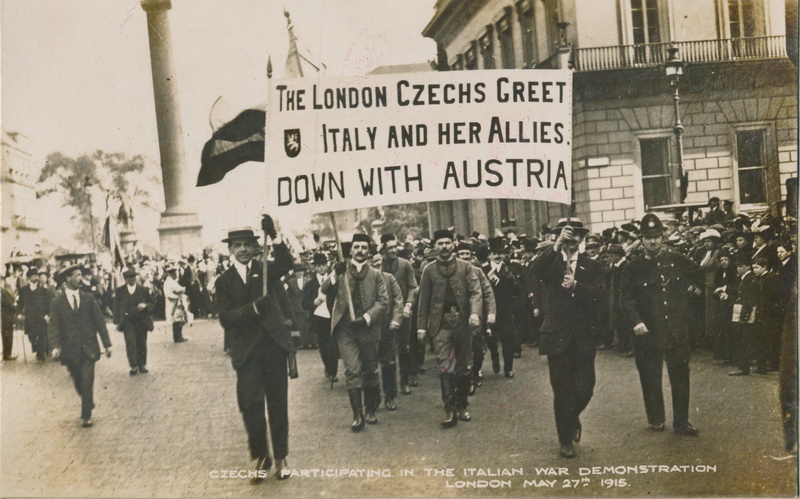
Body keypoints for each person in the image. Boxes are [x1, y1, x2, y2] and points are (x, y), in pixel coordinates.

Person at [215, 221, 295, 483]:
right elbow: (226, 318)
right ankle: (262, 456)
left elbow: (286, 263)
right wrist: (254, 309)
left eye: (248, 245)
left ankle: (281, 456)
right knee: (250, 403)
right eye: (237, 245)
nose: (243, 250)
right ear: (230, 250)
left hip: (273, 346)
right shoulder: (223, 281)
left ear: (254, 247)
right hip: (246, 352)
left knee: (277, 402)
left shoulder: (265, 269)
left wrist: (274, 235)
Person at [620, 213, 704, 436]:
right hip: (647, 331)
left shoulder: (676, 259)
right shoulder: (633, 267)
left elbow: (699, 275)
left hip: (675, 329)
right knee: (650, 376)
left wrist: (689, 296)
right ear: (641, 239)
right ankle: (656, 418)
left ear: (663, 237)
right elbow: (626, 298)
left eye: (657, 237)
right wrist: (636, 322)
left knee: (680, 375)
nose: (653, 242)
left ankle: (682, 421)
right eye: (648, 238)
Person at [530, 218, 605, 458]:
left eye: (575, 237)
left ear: (582, 239)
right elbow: (534, 269)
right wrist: (556, 245)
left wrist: (577, 287)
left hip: (583, 337)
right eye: (566, 237)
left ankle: (571, 418)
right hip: (557, 337)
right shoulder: (551, 264)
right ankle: (565, 440)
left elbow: (600, 294)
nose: (571, 242)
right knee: (562, 390)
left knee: (586, 388)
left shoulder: (591, 266)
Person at [416, 229, 482, 427]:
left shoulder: (465, 267)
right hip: (440, 325)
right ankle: (450, 409)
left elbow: (475, 292)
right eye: (439, 244)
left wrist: (474, 313)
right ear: (434, 247)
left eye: (447, 243)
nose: (444, 247)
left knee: (464, 367)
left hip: (463, 324)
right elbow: (423, 301)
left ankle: (462, 405)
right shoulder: (428, 270)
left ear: (453, 244)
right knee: (445, 366)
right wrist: (421, 327)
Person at [323, 234, 388, 431]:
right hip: (346, 328)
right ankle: (357, 416)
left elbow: (383, 302)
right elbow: (324, 288)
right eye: (356, 247)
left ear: (369, 252)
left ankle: (370, 410)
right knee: (352, 370)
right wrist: (335, 274)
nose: (360, 251)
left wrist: (367, 317)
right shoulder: (341, 271)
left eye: (364, 248)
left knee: (370, 368)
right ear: (350, 250)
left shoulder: (376, 275)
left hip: (367, 326)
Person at [48, 265, 112, 427]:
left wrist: (107, 344)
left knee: (87, 379)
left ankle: (86, 416)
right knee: (78, 381)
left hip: (89, 347)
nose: (79, 278)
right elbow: (54, 326)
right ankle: (87, 400)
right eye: (75, 276)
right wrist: (55, 346)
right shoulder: (58, 302)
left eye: (80, 275)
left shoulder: (88, 298)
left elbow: (100, 322)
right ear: (67, 279)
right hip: (70, 350)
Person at [379, 233, 419, 397]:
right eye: (390, 247)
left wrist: (408, 305)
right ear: (383, 249)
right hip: (383, 314)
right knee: (386, 352)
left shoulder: (405, 265)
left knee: (404, 347)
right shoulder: (377, 266)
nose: (394, 250)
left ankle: (405, 381)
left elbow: (413, 287)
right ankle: (389, 387)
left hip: (403, 311)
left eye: (395, 247)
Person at [482, 237, 521, 378]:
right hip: (489, 311)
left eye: (500, 253)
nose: (497, 256)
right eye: (494, 253)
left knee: (507, 341)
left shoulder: (509, 270)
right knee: (491, 341)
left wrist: (511, 279)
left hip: (505, 311)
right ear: (489, 255)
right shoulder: (483, 270)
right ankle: (494, 357)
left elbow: (518, 292)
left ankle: (508, 368)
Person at [370, 252, 403, 411]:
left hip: (387, 327)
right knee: (370, 364)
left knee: (389, 362)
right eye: (373, 262)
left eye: (379, 261)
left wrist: (396, 319)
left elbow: (398, 300)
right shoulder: (364, 280)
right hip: (369, 328)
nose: (377, 264)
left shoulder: (390, 279)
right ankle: (374, 398)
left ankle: (390, 396)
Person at [302, 252, 337, 382]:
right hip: (318, 319)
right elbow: (304, 303)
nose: (322, 268)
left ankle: (333, 371)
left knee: (333, 344)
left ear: (327, 266)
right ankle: (328, 367)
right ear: (315, 267)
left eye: (323, 265)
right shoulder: (310, 285)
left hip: (332, 317)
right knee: (323, 345)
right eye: (319, 265)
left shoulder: (333, 281)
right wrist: (313, 303)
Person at [113, 267, 154, 375]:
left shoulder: (143, 290)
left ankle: (142, 365)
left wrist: (145, 306)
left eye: (134, 277)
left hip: (141, 321)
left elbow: (153, 304)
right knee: (130, 342)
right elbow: (116, 305)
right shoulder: (120, 291)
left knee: (141, 343)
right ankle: (134, 366)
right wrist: (116, 320)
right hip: (127, 321)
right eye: (130, 278)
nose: (132, 279)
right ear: (125, 279)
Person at [17, 268, 52, 361]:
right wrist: (20, 313)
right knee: (31, 335)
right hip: (30, 316)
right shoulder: (24, 290)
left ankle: (41, 353)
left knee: (41, 334)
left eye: (37, 276)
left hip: (41, 316)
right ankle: (37, 349)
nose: (36, 278)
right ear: (29, 278)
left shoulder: (43, 290)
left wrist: (48, 314)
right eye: (34, 276)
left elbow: (47, 303)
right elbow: (20, 303)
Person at [163, 264, 189, 343]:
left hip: (178, 303)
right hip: (173, 304)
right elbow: (167, 294)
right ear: (170, 274)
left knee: (180, 319)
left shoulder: (173, 281)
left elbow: (179, 288)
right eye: (174, 274)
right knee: (176, 320)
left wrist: (182, 290)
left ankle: (179, 336)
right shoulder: (167, 282)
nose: (176, 275)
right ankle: (177, 337)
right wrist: (177, 296)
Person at [1, 273, 17, 361]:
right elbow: (5, 302)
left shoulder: (8, 287)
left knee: (9, 334)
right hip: (5, 315)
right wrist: (12, 304)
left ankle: (8, 353)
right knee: (6, 334)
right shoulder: (3, 290)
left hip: (9, 315)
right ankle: (7, 354)